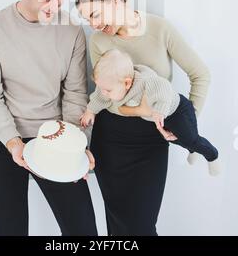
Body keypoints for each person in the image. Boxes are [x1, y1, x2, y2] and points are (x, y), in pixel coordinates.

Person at [75, 0, 211, 235]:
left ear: (114, 0)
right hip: (112, 141)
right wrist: (142, 111)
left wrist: (186, 125)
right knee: (118, 224)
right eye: (87, 20)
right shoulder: (98, 41)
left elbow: (200, 74)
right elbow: (107, 99)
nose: (93, 25)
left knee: (142, 226)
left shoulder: (160, 29)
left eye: (94, 14)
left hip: (152, 141)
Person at [0, 0, 97, 236]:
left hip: (55, 135)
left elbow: (76, 94)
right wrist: (15, 143)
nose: (54, 7)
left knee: (84, 232)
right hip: (3, 138)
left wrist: (77, 144)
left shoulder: (72, 31)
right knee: (10, 231)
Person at [80, 49, 219, 176]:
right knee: (174, 139)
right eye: (101, 88)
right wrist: (90, 110)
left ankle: (212, 155)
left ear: (127, 83)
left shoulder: (146, 82)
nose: (103, 93)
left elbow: (164, 87)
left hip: (177, 111)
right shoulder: (111, 85)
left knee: (190, 138)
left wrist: (159, 111)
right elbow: (100, 96)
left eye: (108, 90)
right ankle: (191, 149)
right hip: (158, 119)